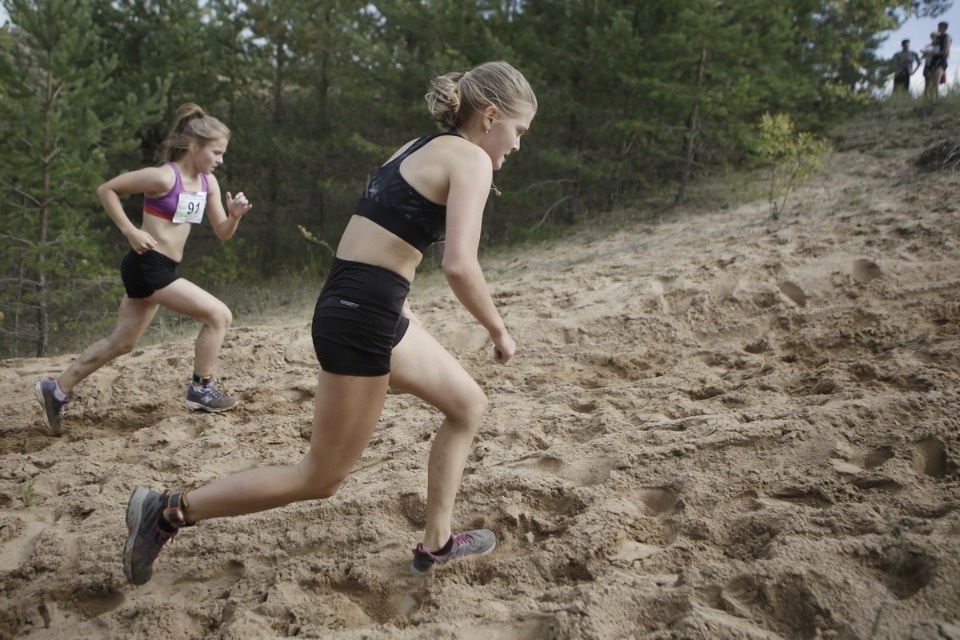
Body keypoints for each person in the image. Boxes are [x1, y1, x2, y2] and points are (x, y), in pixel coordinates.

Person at [121, 60, 537, 585]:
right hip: (363, 317)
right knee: (320, 477)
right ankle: (168, 509)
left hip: (365, 306)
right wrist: (498, 330)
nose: (517, 145)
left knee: (467, 405)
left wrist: (398, 308)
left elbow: (374, 234)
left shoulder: (414, 147)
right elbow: (459, 265)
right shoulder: (472, 161)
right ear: (491, 116)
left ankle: (436, 544)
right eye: (518, 131)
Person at [35, 104, 253, 435]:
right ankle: (201, 389)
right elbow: (106, 189)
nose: (220, 160)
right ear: (195, 147)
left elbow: (222, 232)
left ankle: (57, 390)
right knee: (219, 316)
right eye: (217, 152)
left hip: (162, 266)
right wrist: (130, 230)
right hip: (148, 265)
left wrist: (234, 215)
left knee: (122, 343)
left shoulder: (208, 183)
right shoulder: (164, 176)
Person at [925, 22, 952, 98]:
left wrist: (933, 53)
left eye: (940, 27)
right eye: (938, 26)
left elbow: (945, 51)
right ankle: (931, 99)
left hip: (941, 60)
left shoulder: (946, 37)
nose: (938, 28)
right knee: (930, 79)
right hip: (933, 60)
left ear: (945, 28)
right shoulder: (937, 37)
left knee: (936, 79)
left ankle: (937, 99)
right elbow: (933, 48)